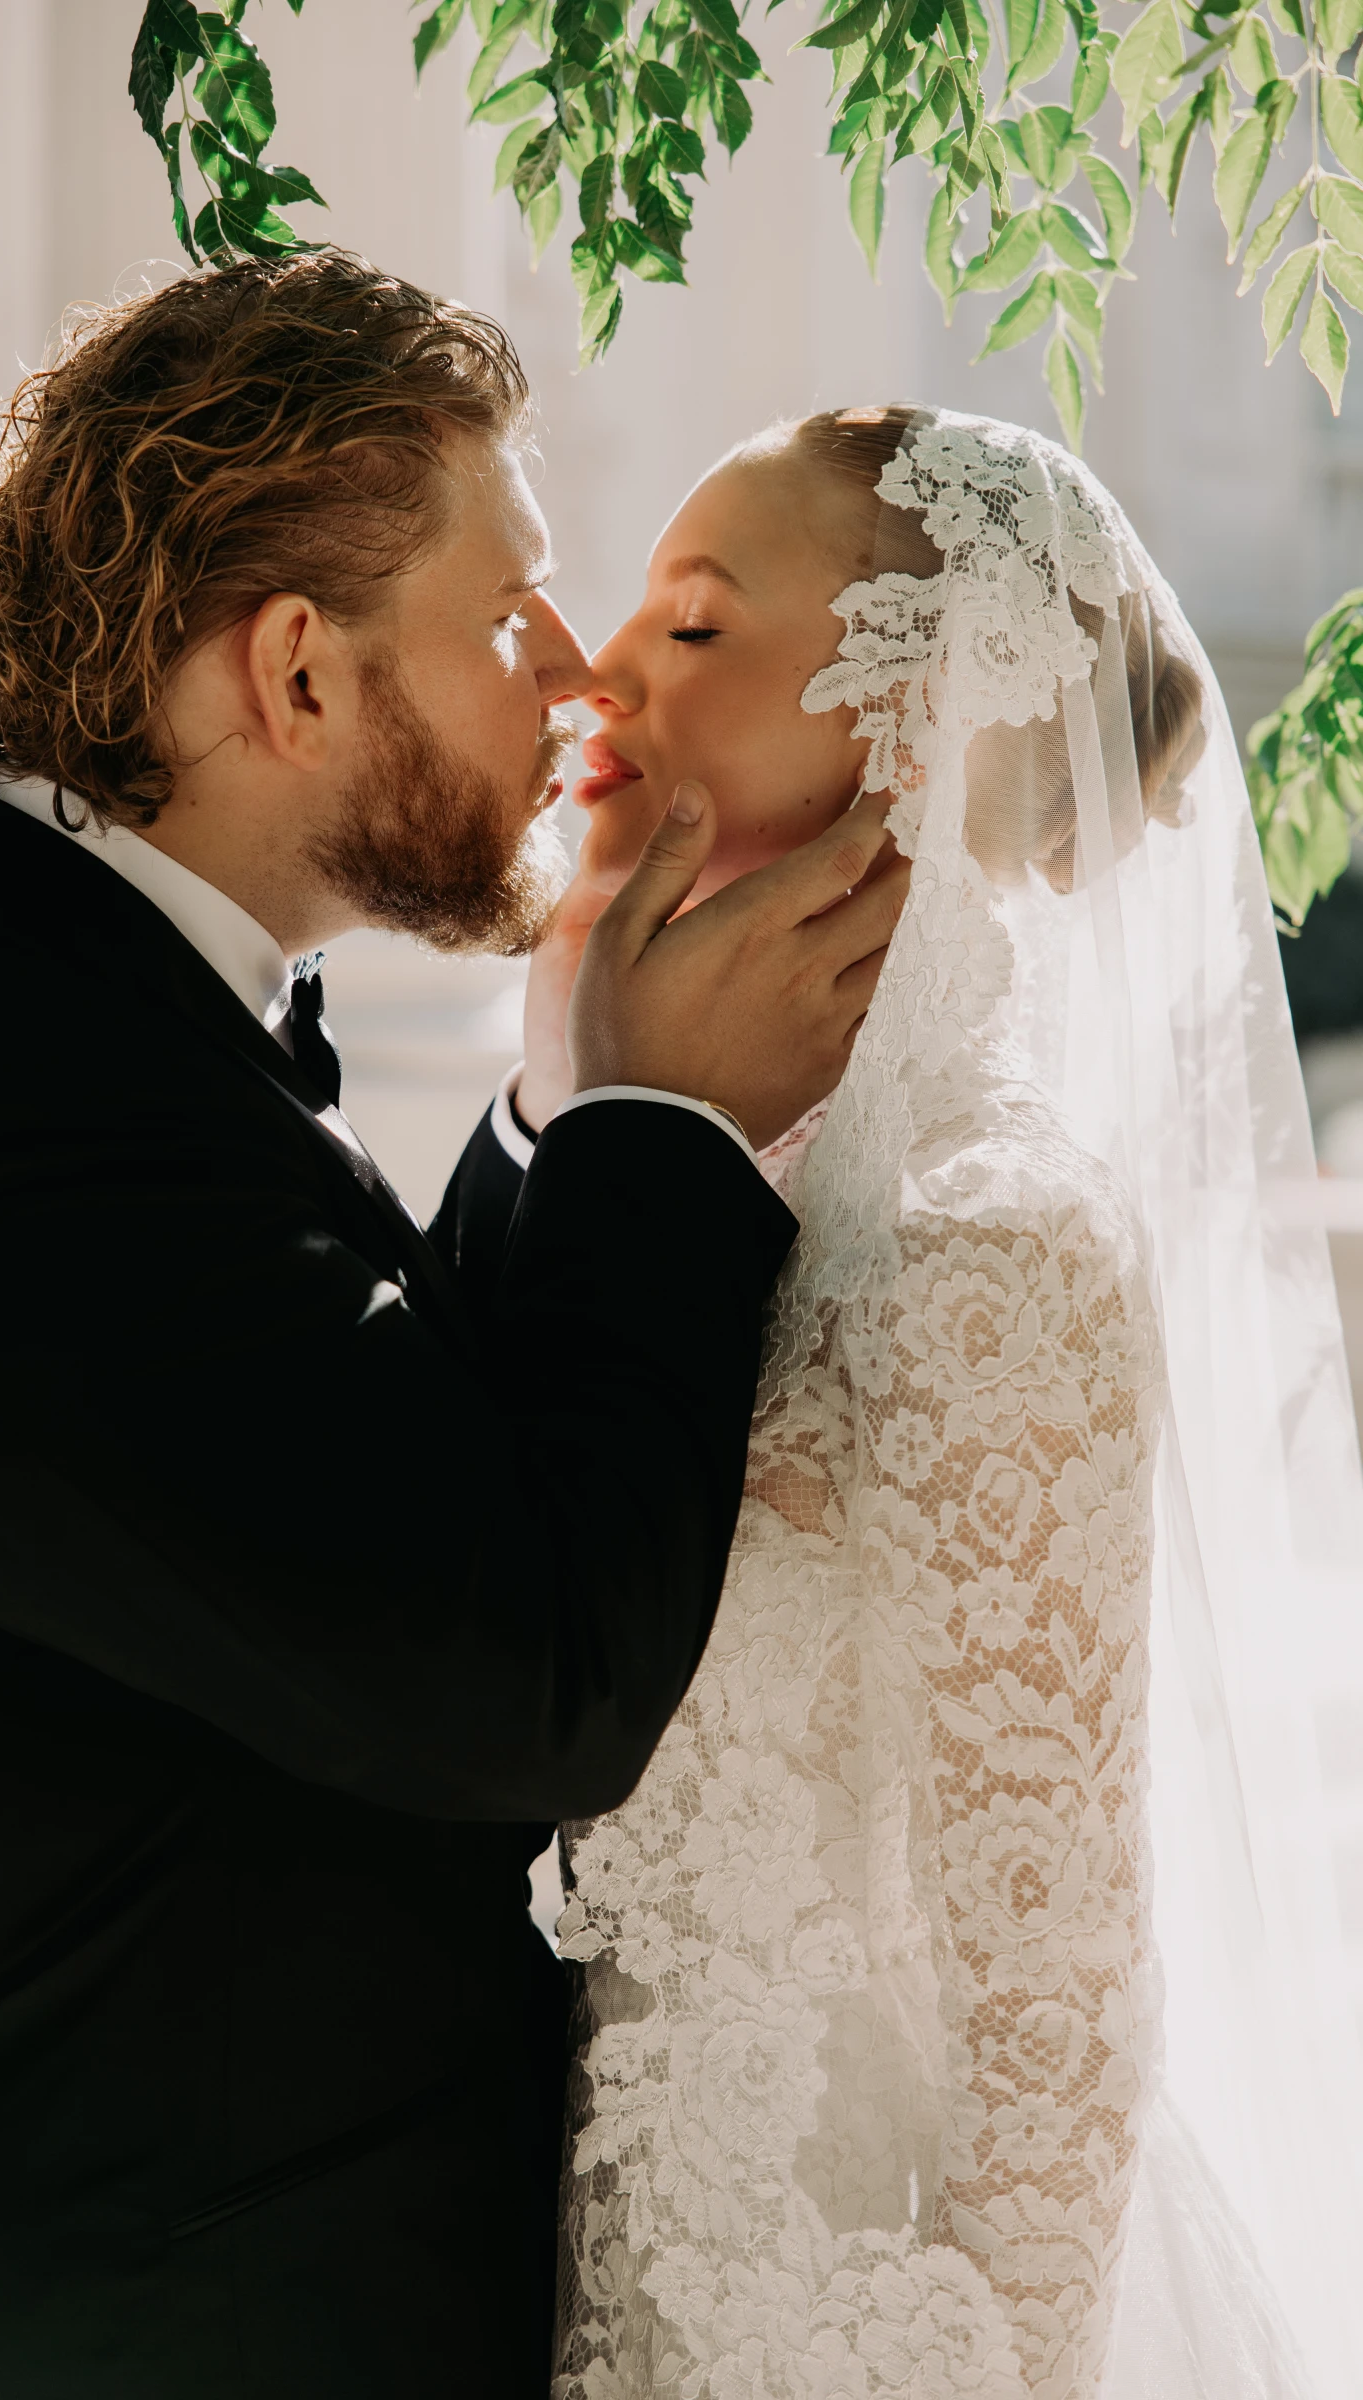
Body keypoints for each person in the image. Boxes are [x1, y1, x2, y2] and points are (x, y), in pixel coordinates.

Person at [0, 255, 908, 2399]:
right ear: (294, 670)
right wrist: (660, 1133)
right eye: (509, 611)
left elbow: (346, 1449)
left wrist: (565, 1112)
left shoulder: (54, 1008)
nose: (572, 672)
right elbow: (516, 1674)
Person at [540, 406, 1363, 2400]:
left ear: (912, 724)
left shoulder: (988, 1248)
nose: (598, 671)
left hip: (828, 2324)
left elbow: (1054, 2016)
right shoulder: (658, 1178)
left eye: (696, 626)